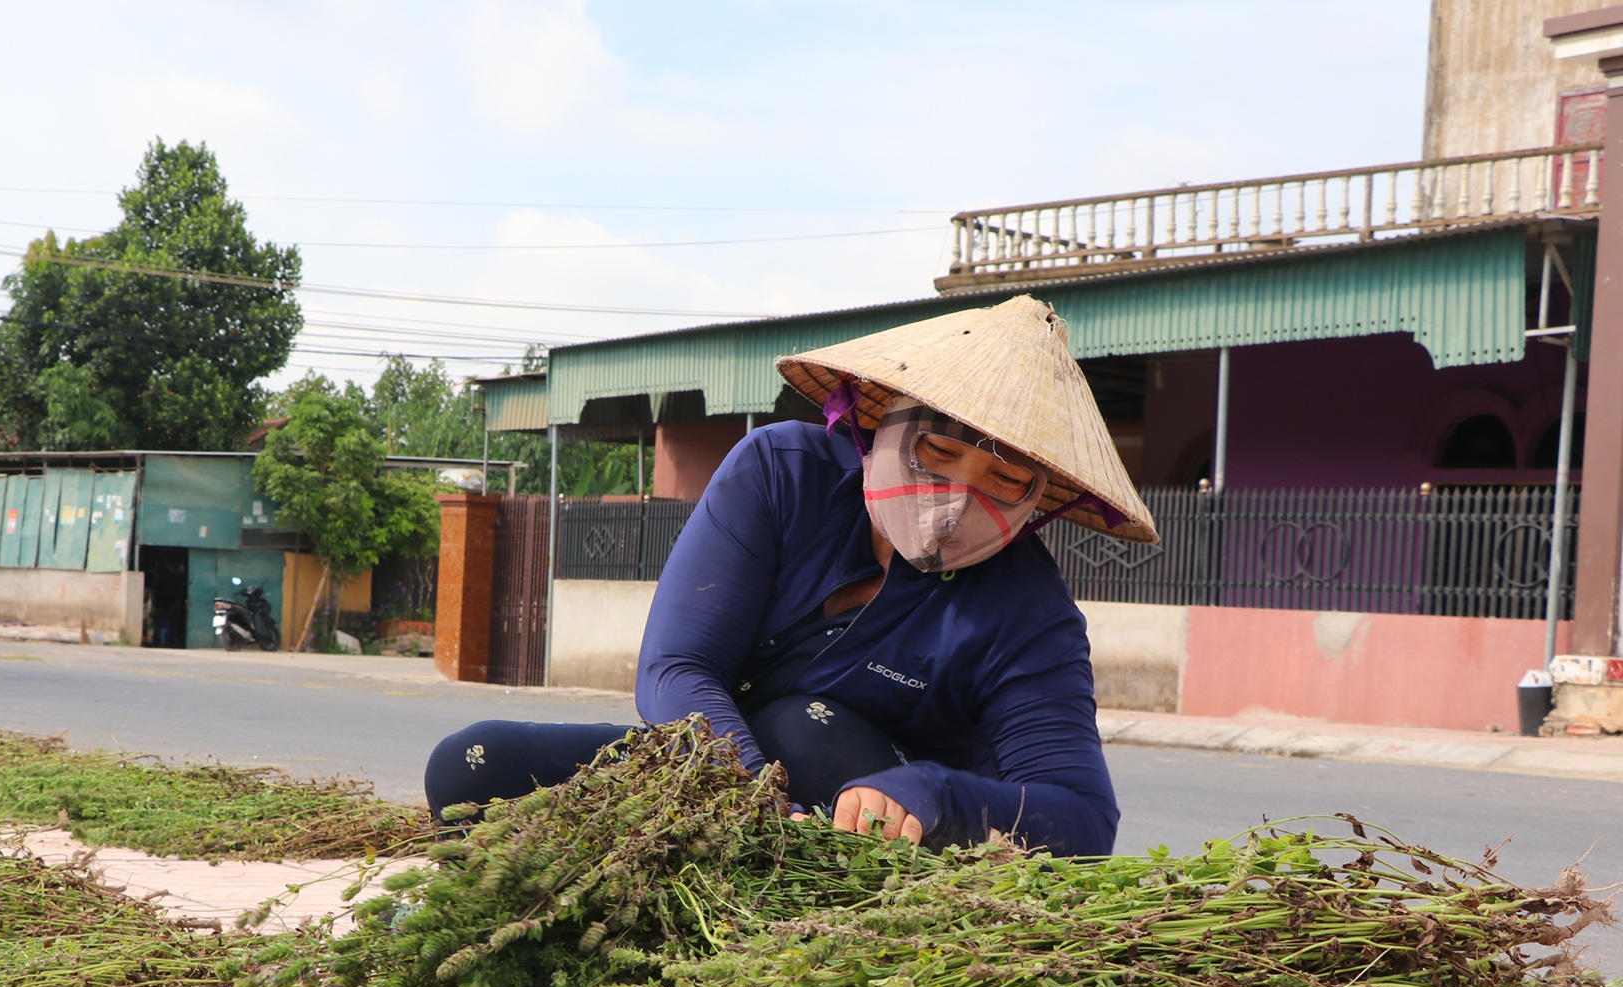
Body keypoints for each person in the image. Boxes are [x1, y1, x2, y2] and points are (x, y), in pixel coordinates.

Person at [424, 294, 1159, 856]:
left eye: (1003, 480)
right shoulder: (782, 474)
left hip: (875, 845)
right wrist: (743, 789)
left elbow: (1083, 817)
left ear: (1036, 501)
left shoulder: (1027, 610)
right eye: (938, 451)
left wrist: (929, 793)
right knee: (469, 764)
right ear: (881, 427)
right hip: (728, 772)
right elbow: (679, 666)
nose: (960, 497)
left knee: (803, 727)